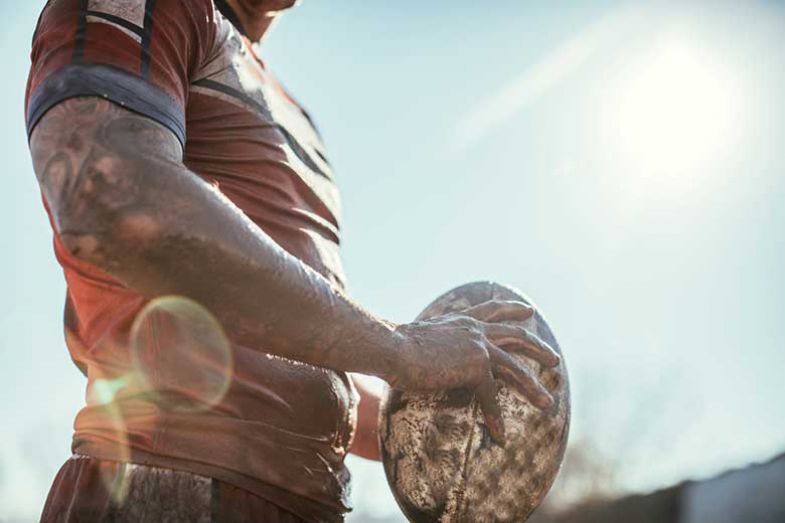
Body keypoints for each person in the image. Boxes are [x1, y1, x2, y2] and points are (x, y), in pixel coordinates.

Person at [25, 0, 559, 521]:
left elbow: (300, 369)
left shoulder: (293, 111)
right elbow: (110, 196)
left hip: (305, 502)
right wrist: (401, 349)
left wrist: (434, 408)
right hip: (166, 481)